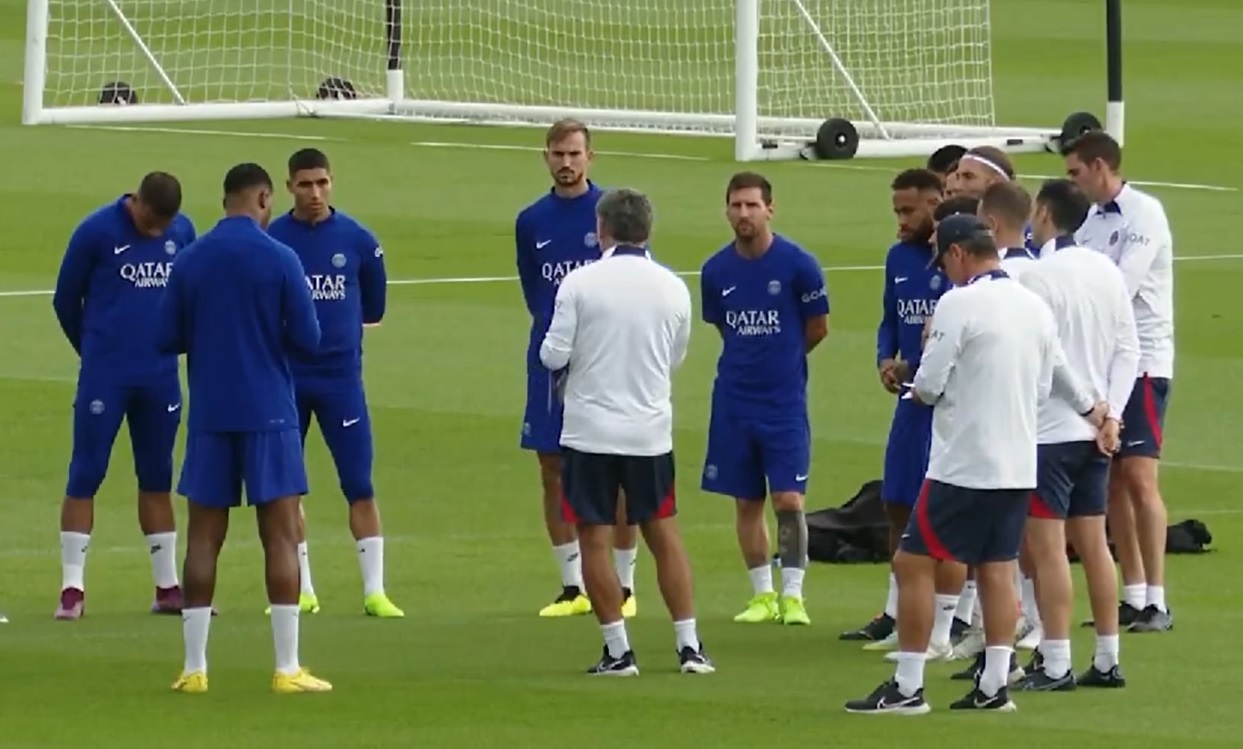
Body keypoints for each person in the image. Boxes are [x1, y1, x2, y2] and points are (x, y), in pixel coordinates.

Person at [844, 214, 1103, 715]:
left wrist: (911, 380)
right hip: (1017, 464)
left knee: (912, 562)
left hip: (964, 463)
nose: (943, 268)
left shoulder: (958, 303)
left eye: (943, 258)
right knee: (997, 570)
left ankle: (908, 685)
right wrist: (1097, 413)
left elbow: (929, 386)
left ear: (959, 253)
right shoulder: (1033, 306)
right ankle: (993, 687)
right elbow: (1060, 378)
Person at [158, 163, 330, 694]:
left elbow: (166, 337)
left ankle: (194, 668)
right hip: (269, 413)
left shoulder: (190, 260)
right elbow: (309, 338)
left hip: (211, 413)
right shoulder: (281, 258)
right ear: (261, 197)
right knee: (279, 534)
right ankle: (286, 668)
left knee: (203, 538)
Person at [539, 187, 712, 676]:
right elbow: (675, 356)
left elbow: (552, 354)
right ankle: (689, 646)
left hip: (590, 432)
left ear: (603, 229)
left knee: (593, 536)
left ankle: (618, 651)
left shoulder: (579, 283)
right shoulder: (674, 287)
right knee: (664, 534)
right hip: (649, 432)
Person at [50, 172, 197, 620]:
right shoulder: (95, 231)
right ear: (136, 201)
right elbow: (64, 300)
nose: (155, 233)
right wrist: (94, 350)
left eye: (162, 226)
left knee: (157, 475)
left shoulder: (183, 231)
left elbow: (189, 294)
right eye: (150, 222)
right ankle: (72, 588)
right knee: (86, 471)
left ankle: (167, 586)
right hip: (106, 377)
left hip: (160, 376)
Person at [266, 148, 402, 619]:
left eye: (322, 183)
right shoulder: (273, 239)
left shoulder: (358, 240)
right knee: (286, 489)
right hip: (286, 380)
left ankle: (375, 591)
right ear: (289, 188)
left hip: (341, 381)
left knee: (359, 483)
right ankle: (302, 589)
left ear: (333, 182)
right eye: (305, 185)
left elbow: (374, 309)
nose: (315, 193)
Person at [1015, 178, 1140, 691]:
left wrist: (1091, 411)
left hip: (1051, 431)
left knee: (1048, 550)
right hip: (1096, 433)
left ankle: (1056, 661)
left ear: (1042, 212)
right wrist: (1111, 414)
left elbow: (1047, 360)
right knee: (1095, 545)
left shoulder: (1037, 278)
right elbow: (1128, 349)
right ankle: (1108, 658)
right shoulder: (1107, 272)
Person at [515, 119, 639, 618]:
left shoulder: (611, 213)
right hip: (551, 359)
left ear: (591, 156)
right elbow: (534, 291)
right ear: (545, 157)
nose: (566, 163)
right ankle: (573, 587)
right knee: (552, 466)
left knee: (620, 471)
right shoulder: (531, 221)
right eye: (557, 154)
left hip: (606, 357)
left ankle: (625, 586)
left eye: (575, 154)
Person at [700, 172, 830, 626]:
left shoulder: (798, 265)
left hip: (783, 403)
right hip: (734, 400)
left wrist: (785, 360)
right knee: (745, 500)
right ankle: (762, 595)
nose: (743, 214)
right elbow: (723, 326)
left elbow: (817, 327)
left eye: (752, 205)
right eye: (736, 205)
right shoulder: (716, 271)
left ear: (769, 209)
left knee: (789, 499)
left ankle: (793, 594)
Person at [1065, 131, 1174, 633]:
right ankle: (1131, 593)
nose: (1074, 182)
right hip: (1102, 365)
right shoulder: (1087, 224)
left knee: (1139, 476)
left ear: (1101, 165)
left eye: (1076, 172)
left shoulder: (1144, 214)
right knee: (1109, 480)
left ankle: (1157, 598)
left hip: (1145, 360)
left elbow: (1120, 286)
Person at [840, 168, 945, 647]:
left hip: (946, 405)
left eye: (909, 211)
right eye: (896, 211)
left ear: (935, 203)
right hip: (909, 402)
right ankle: (895, 609)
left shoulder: (955, 259)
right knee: (896, 500)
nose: (900, 221)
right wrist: (885, 358)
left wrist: (916, 367)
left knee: (943, 507)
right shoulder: (897, 257)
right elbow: (890, 319)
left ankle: (949, 619)